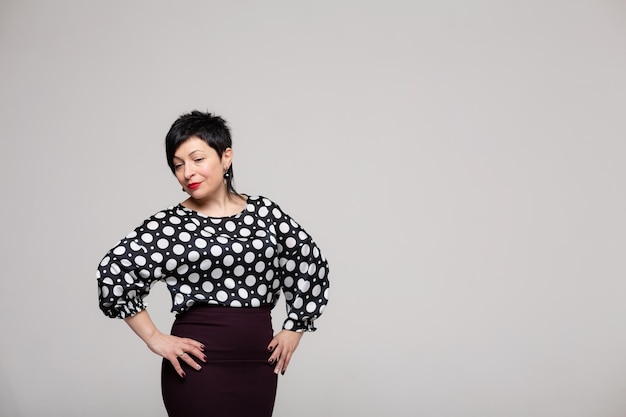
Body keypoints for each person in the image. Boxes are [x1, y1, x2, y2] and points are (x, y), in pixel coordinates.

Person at [96, 110, 330, 417]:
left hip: (258, 366)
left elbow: (310, 264)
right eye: (178, 165)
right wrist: (155, 338)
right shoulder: (170, 224)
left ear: (226, 157)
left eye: (197, 159)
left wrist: (295, 327)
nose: (187, 172)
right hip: (197, 367)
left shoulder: (265, 214)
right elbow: (114, 272)